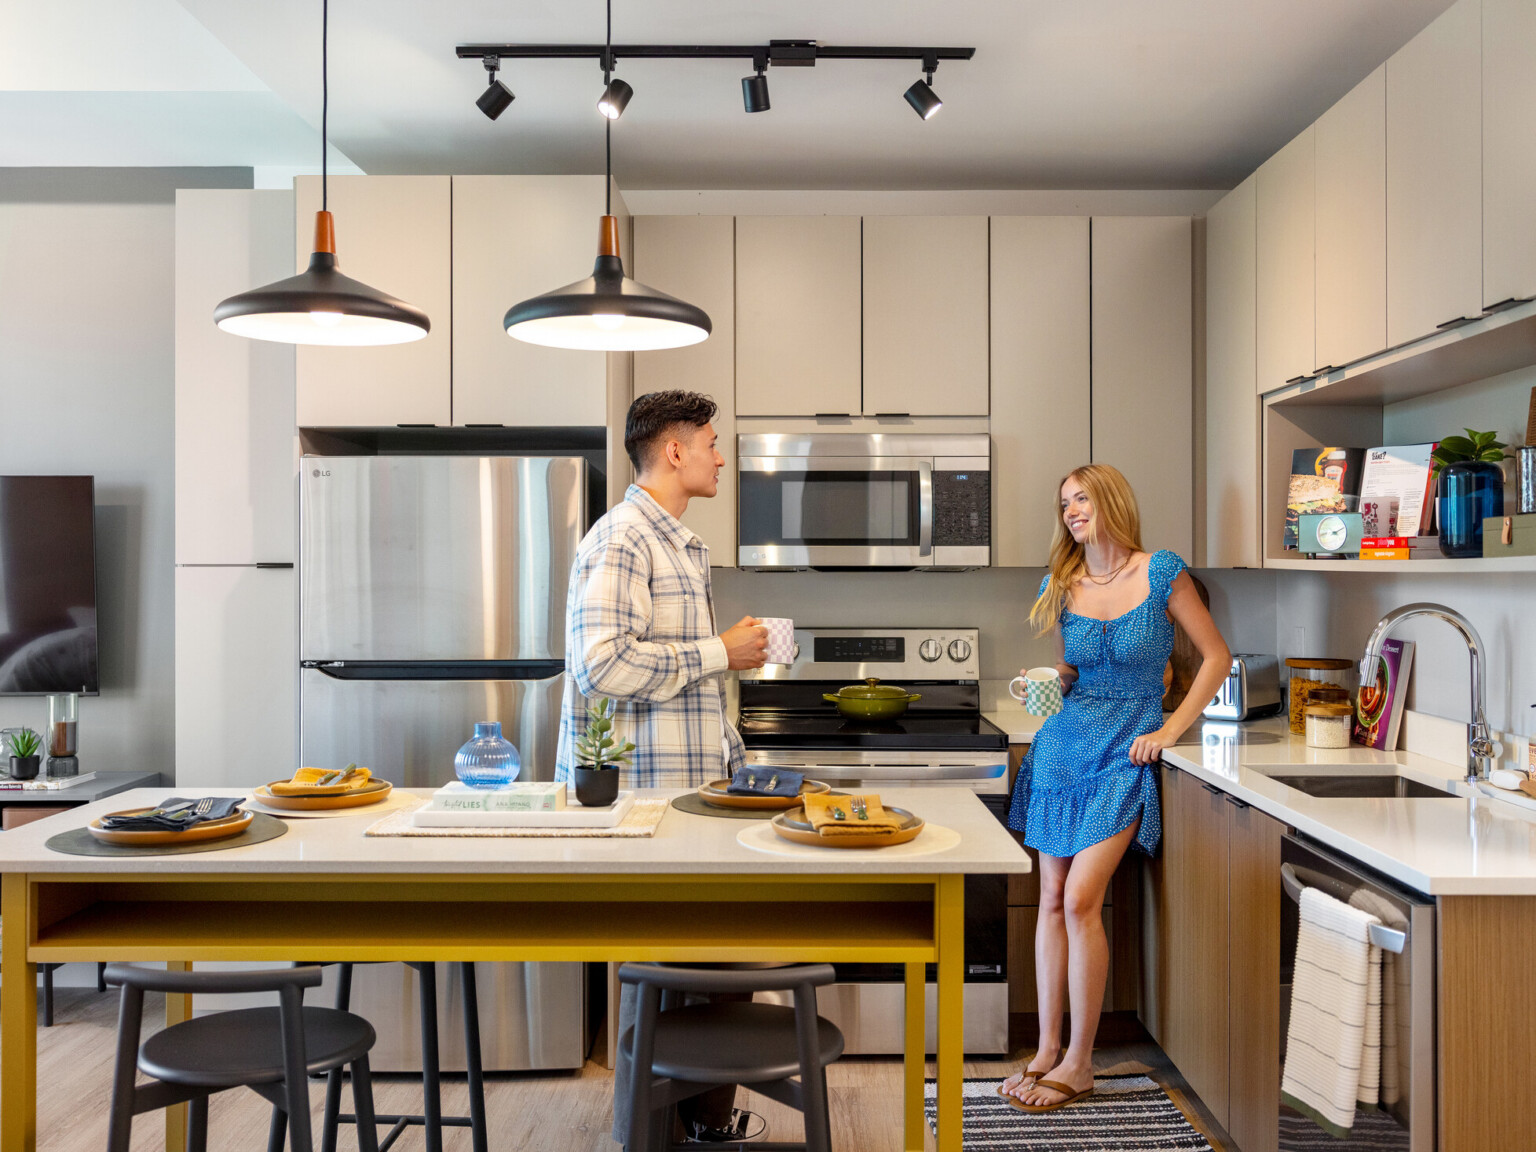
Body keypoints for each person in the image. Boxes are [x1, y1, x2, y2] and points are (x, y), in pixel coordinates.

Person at [556, 389, 769, 1146]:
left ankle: (702, 1124)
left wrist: (738, 768)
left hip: (688, 792)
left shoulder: (677, 542)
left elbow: (688, 687)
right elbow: (602, 665)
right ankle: (648, 1137)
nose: (720, 455)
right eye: (711, 441)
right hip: (642, 803)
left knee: (702, 964)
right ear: (672, 451)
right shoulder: (622, 541)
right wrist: (722, 651)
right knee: (664, 974)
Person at [999, 464, 1230, 1112]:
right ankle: (1046, 1049)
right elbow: (1069, 676)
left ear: (1112, 502)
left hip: (1127, 748)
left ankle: (1080, 1063)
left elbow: (1216, 656)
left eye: (1082, 499)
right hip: (1065, 746)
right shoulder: (1060, 585)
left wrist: (1173, 729)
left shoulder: (1161, 572)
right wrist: (1041, 685)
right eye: (1065, 502)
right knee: (1050, 896)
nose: (1072, 511)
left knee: (1080, 899)